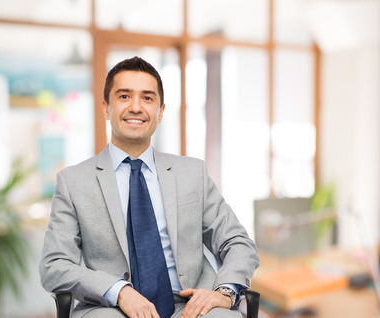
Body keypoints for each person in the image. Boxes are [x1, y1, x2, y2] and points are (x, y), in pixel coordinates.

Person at [39, 56, 259, 318]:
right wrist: (118, 290)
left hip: (188, 305)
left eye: (147, 98)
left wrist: (223, 292)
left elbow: (238, 242)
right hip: (111, 306)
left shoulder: (192, 173)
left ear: (160, 111)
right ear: (106, 108)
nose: (135, 107)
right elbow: (54, 265)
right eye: (124, 96)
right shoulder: (73, 181)